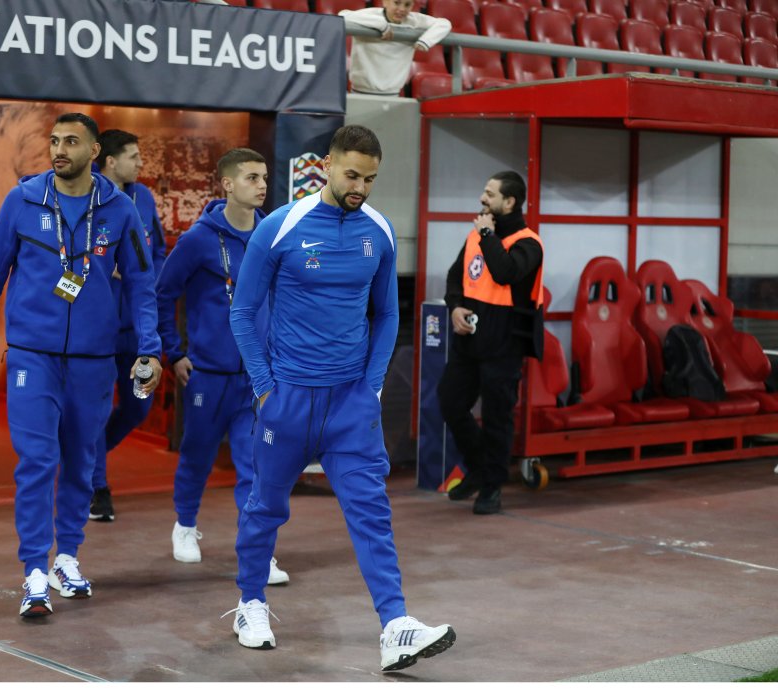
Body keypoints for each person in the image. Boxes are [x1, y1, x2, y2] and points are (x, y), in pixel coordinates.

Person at [227, 125, 455, 672]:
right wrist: (264, 388)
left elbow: (388, 314)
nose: (360, 188)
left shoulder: (379, 230)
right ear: (326, 165)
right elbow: (242, 311)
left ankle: (395, 624)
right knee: (265, 507)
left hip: (351, 403)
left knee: (371, 510)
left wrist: (372, 387)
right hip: (288, 400)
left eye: (370, 179)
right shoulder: (280, 228)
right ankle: (251, 603)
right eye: (352, 175)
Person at [0, 113, 163, 619]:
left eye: (71, 141)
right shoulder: (23, 201)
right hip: (32, 355)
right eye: (54, 141)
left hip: (94, 359)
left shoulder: (120, 210)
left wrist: (150, 348)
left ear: (95, 152)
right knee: (37, 459)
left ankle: (66, 557)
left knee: (81, 460)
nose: (59, 150)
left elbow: (142, 283)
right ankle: (33, 568)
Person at [156, 148, 288, 585]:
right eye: (252, 177)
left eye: (264, 177)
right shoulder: (198, 240)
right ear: (228, 184)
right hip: (207, 375)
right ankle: (184, 524)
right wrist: (174, 352)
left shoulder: (273, 235)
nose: (262, 185)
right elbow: (162, 293)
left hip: (257, 378)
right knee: (197, 455)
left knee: (256, 465)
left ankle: (258, 551)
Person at [437, 171, 544, 515]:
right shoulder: (476, 236)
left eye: (490, 194)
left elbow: (505, 272)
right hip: (469, 340)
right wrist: (455, 306)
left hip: (504, 344)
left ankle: (492, 486)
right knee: (450, 402)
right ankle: (480, 467)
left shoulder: (529, 244)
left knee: (498, 417)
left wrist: (487, 234)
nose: (483, 199)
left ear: (509, 202)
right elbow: (455, 276)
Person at [88, 129, 167, 523]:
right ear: (110, 161)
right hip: (97, 329)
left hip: (137, 330)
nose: (140, 163)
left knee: (138, 406)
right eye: (133, 156)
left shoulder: (143, 198)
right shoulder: (85, 197)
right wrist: (105, 269)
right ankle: (97, 486)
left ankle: (86, 456)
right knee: (98, 410)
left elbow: (158, 252)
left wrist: (144, 274)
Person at [340, 0, 452, 96]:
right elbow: (342, 15)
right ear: (385, 2)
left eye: (407, 5)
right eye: (397, 3)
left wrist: (425, 41)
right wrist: (381, 25)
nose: (402, 9)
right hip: (360, 91)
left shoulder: (415, 20)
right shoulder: (371, 14)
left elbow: (444, 24)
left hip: (393, 94)